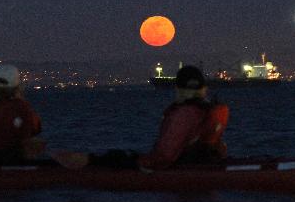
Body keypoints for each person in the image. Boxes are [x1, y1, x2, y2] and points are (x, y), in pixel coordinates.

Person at [53, 65, 229, 171]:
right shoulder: (207, 110)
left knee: (116, 156)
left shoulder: (183, 114)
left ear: (178, 89)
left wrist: (140, 162)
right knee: (120, 156)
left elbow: (164, 156)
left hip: (180, 165)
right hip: (201, 161)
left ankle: (81, 162)